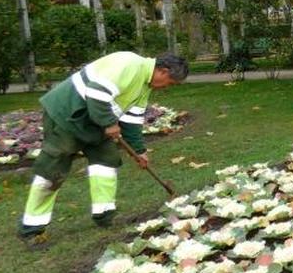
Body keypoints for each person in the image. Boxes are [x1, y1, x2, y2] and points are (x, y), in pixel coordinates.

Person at [18, 50, 189, 243]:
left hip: (95, 120)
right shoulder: (129, 64)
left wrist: (139, 151)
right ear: (162, 71)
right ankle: (32, 226)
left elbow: (132, 119)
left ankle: (104, 214)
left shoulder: (145, 85)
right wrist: (109, 123)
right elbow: (96, 92)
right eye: (170, 83)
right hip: (68, 114)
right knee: (54, 167)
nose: (166, 87)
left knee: (107, 160)